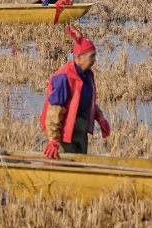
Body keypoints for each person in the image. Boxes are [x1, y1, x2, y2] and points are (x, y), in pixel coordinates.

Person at [41, 25, 110, 157]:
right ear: (79, 57)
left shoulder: (87, 75)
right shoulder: (63, 78)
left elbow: (86, 101)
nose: (95, 60)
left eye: (95, 56)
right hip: (64, 131)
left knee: (81, 166)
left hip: (80, 131)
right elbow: (54, 111)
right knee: (65, 168)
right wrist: (53, 140)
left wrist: (99, 117)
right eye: (92, 56)